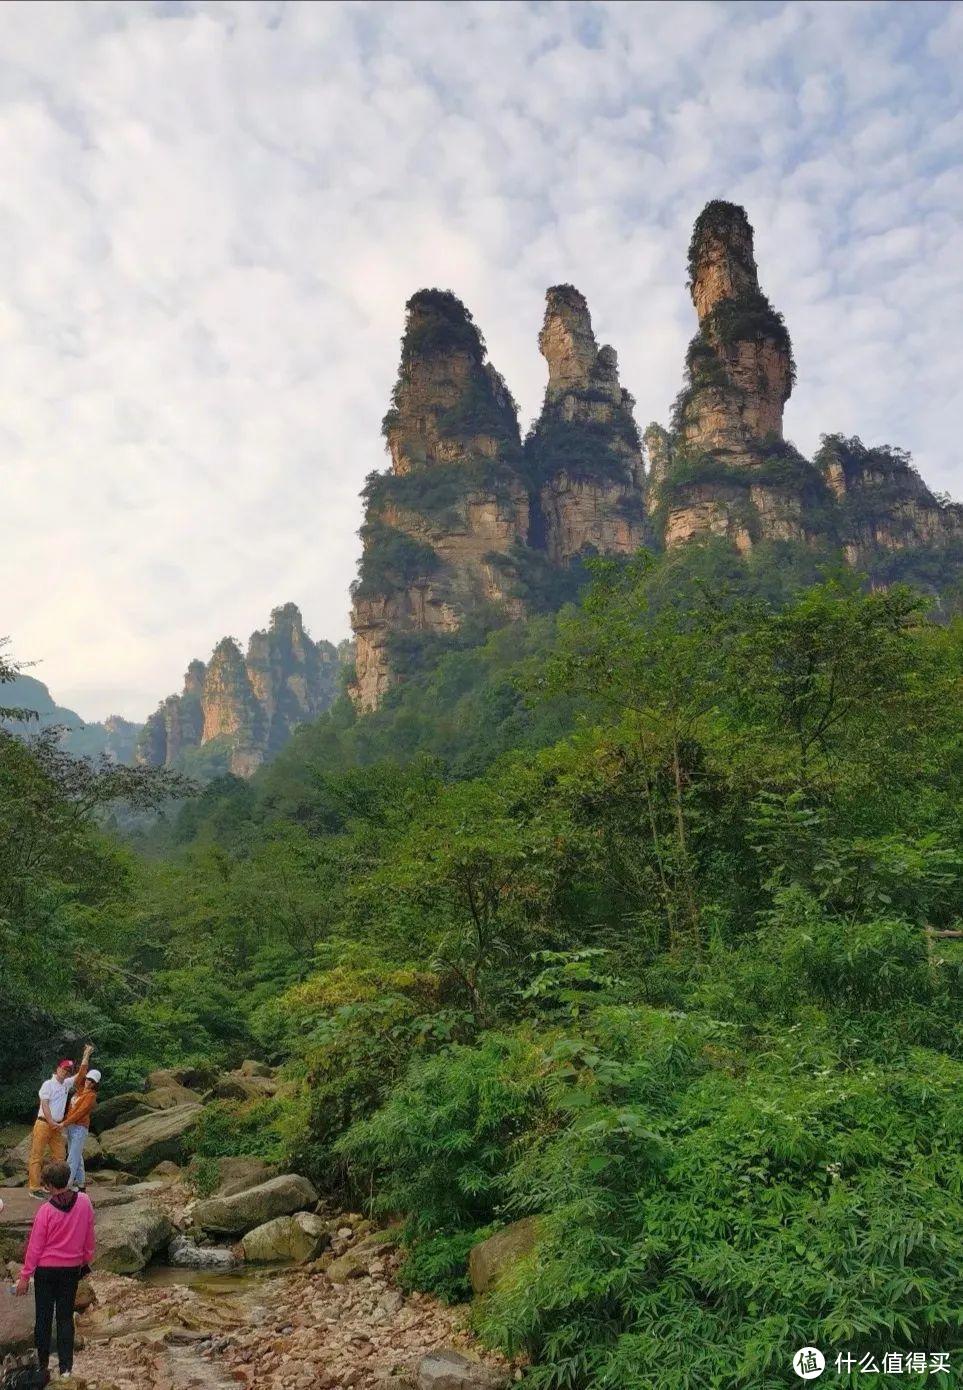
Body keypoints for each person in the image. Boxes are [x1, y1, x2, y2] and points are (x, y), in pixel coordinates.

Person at [15, 1159, 95, 1382]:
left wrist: (24, 1277)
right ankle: (66, 1369)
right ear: (68, 1179)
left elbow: (35, 1248)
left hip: (46, 1271)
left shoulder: (46, 1211)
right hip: (71, 1270)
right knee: (65, 1319)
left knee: (43, 1318)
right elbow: (89, 1234)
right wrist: (86, 1259)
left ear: (49, 1186)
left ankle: (42, 1366)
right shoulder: (85, 1202)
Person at [27, 1045, 93, 1200]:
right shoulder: (48, 1084)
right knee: (37, 1156)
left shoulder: (66, 1084)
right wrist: (50, 1121)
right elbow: (44, 1104)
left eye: (68, 1071)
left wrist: (86, 1054)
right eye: (63, 1069)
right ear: (58, 1069)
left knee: (60, 1157)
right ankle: (34, 1187)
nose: (65, 1072)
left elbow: (81, 1074)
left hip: (57, 1126)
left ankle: (54, 1185)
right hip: (44, 1123)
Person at [63, 1061, 101, 1192]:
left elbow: (80, 1113)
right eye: (89, 1079)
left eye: (92, 1081)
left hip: (79, 1128)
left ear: (95, 1084)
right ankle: (81, 1184)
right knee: (76, 1156)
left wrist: (64, 1123)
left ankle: (66, 1186)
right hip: (71, 1127)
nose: (89, 1082)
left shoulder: (91, 1096)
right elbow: (80, 1075)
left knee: (72, 1158)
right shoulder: (79, 1090)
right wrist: (86, 1056)